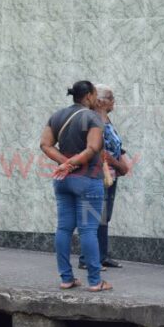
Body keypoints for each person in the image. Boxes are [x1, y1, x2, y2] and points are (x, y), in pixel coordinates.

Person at [41, 81, 111, 292]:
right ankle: (95, 281)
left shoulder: (57, 116)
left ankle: (66, 278)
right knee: (88, 230)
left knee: (63, 228)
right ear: (89, 96)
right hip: (87, 181)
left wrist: (64, 164)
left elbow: (45, 144)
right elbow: (92, 149)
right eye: (95, 95)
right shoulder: (92, 118)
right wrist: (71, 164)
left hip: (63, 182)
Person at [79, 84, 131, 271]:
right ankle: (87, 258)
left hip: (110, 174)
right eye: (110, 97)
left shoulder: (106, 119)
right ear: (100, 101)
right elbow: (100, 152)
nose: (113, 101)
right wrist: (119, 164)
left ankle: (101, 255)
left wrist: (123, 162)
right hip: (97, 174)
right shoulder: (92, 120)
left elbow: (116, 145)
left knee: (104, 216)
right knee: (94, 215)